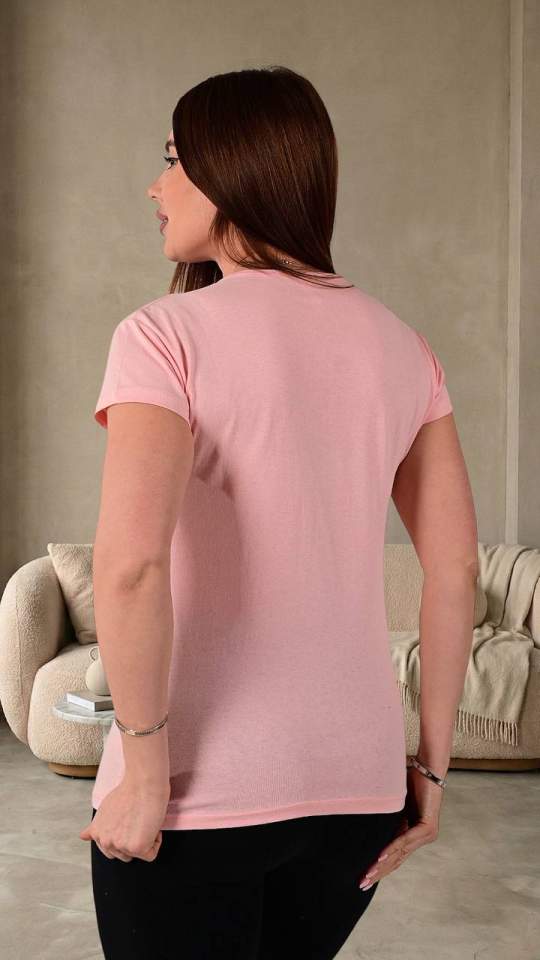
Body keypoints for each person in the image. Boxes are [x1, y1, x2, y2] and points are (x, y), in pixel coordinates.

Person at [80, 66, 478, 959]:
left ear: (234, 169)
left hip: (197, 797)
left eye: (174, 159)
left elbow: (132, 566)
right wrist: (432, 769)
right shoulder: (403, 347)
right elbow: (455, 571)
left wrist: (144, 775)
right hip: (357, 794)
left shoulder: (163, 336)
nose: (156, 186)